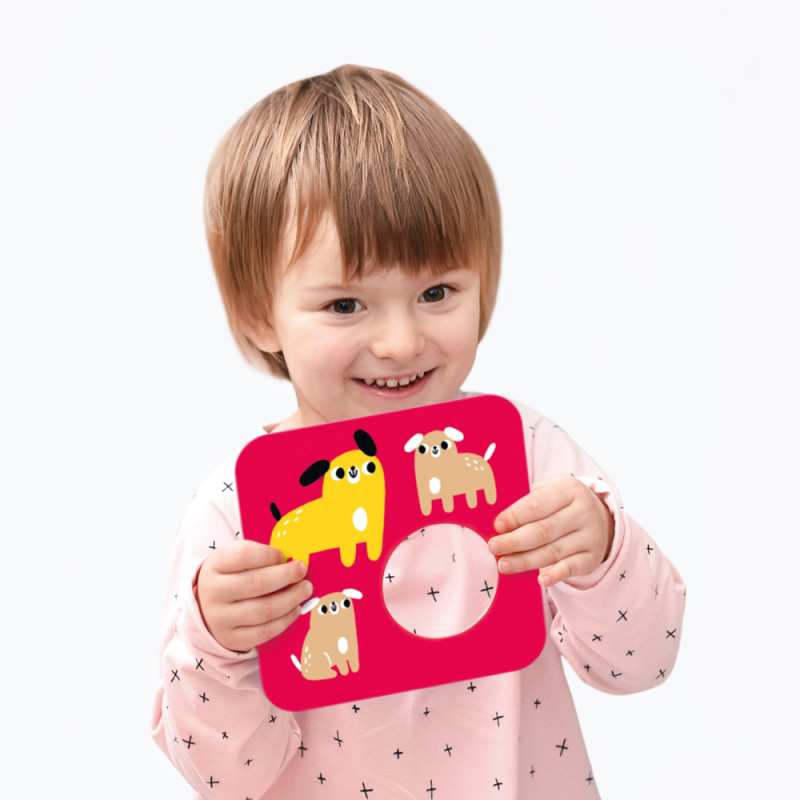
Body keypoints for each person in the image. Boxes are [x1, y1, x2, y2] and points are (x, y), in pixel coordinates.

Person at [152, 64, 685, 798]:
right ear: (257, 315)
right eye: (345, 305)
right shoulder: (238, 516)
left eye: (437, 292)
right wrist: (214, 642)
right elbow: (225, 776)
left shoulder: (525, 457)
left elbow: (641, 662)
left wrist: (603, 548)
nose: (401, 343)